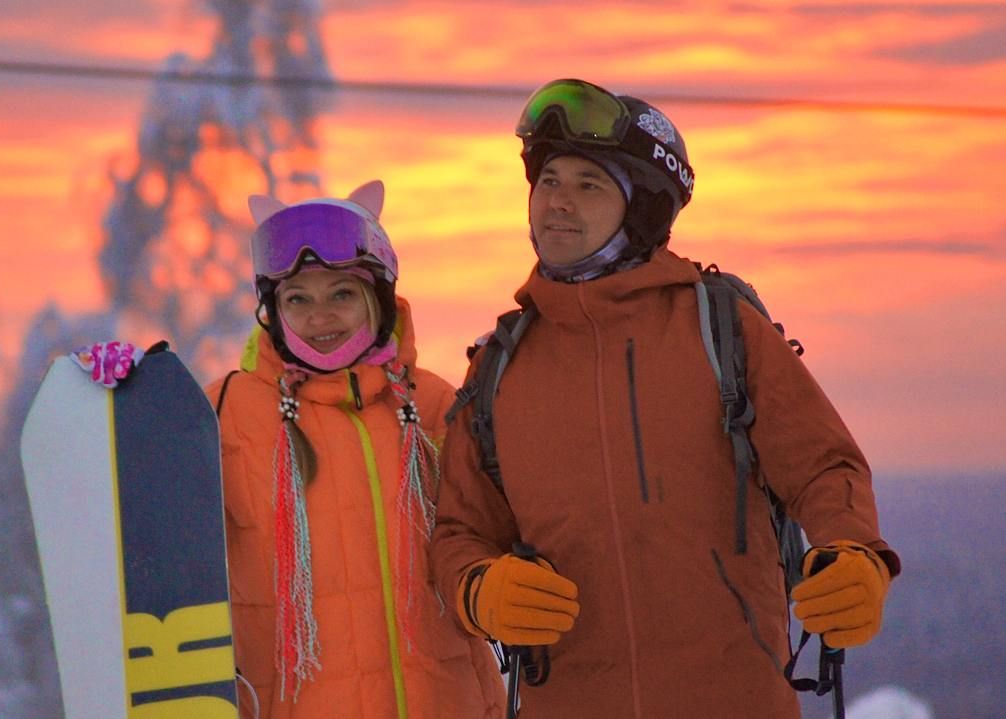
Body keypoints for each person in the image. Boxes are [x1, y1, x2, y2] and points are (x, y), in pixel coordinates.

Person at [429, 78, 901, 717]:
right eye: (548, 181)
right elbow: (461, 531)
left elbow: (823, 465)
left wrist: (854, 552)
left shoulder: (722, 330)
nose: (558, 201)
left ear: (643, 208)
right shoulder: (500, 367)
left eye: (588, 185)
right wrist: (480, 590)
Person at [207, 181, 503, 719]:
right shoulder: (227, 414)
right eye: (298, 299)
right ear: (273, 310)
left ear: (379, 298)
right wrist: (119, 403)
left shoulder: (434, 404)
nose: (320, 316)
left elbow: (490, 525)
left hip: (446, 701)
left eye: (341, 294)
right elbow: (145, 516)